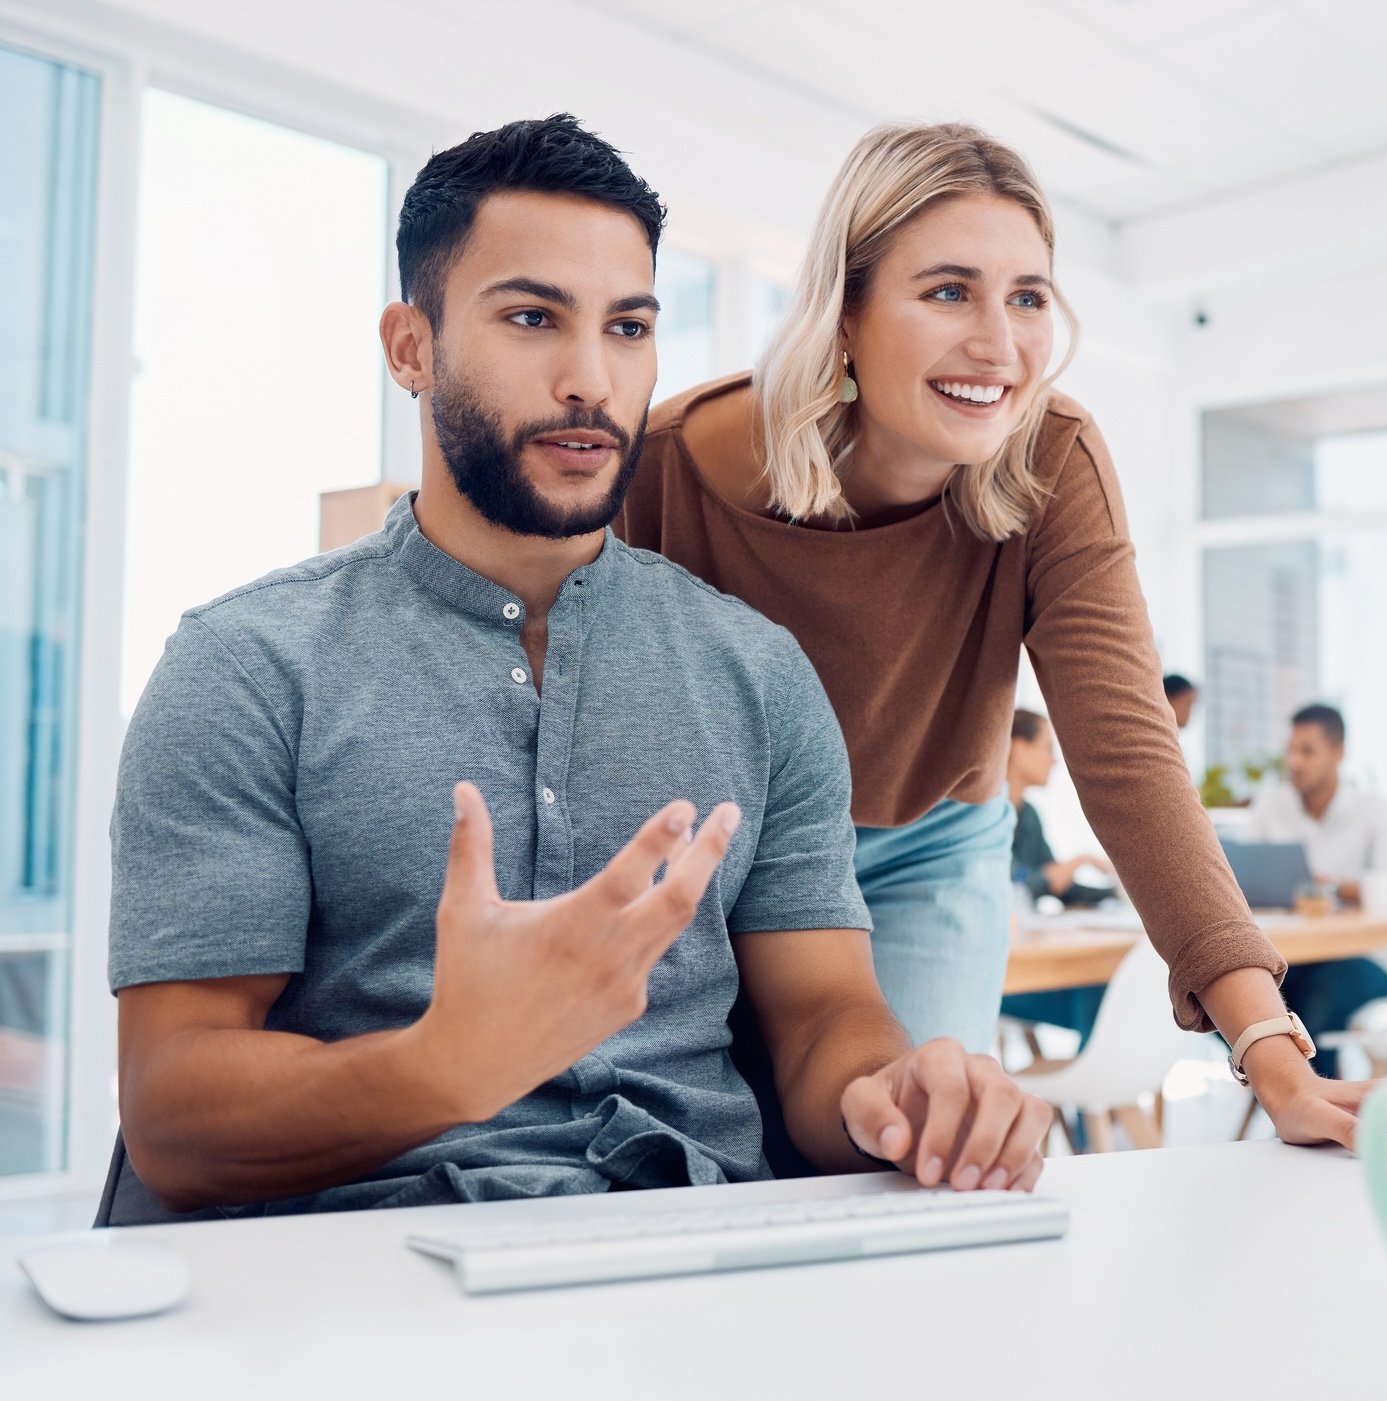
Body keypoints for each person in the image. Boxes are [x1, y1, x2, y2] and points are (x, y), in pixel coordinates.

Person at [105, 116, 1053, 1224]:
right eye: (530, 318)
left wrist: (897, 1093)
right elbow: (172, 1114)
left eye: (629, 326)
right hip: (358, 1264)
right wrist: (442, 1067)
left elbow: (821, 1020)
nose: (590, 379)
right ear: (410, 347)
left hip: (679, 1256)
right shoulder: (247, 667)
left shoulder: (758, 674)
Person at [619, 121, 1366, 1146]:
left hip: (932, 846)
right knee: (714, 1154)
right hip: (722, 858)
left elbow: (1128, 754)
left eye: (1026, 298)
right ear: (845, 310)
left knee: (911, 1151)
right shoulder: (671, 466)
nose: (999, 344)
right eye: (946, 292)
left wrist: (1268, 1051)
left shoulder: (1053, 460)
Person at [1246, 703, 1387, 1076]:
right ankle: (1288, 1093)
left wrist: (1334, 888)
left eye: (1307, 751)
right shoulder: (1273, 805)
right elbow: (1244, 871)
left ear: (1338, 753)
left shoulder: (1375, 811)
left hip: (1369, 957)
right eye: (1290, 751)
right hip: (1294, 955)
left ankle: (1322, 1110)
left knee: (1315, 1005)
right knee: (1247, 1002)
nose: (1295, 762)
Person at [1007, 709, 1112, 909]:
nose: (1054, 761)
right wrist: (1081, 860)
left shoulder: (1028, 815)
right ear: (1019, 750)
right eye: (1047, 748)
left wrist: (1115, 892)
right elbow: (1015, 883)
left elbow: (1058, 883)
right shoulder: (982, 815)